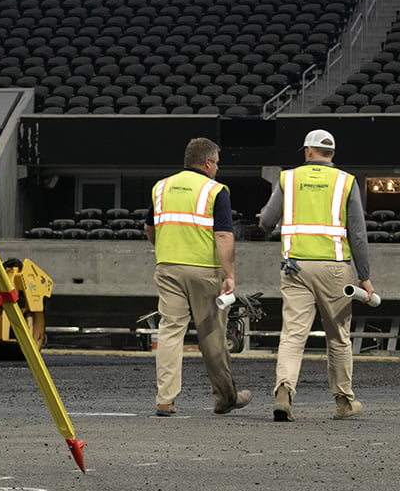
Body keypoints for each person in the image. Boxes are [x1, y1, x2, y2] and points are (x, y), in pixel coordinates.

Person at [258, 129, 375, 421]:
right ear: (331, 154)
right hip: (335, 269)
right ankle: (343, 402)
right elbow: (358, 234)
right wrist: (365, 276)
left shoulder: (289, 178)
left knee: (293, 335)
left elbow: (268, 222)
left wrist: (266, 219)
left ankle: (284, 392)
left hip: (296, 268)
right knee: (338, 337)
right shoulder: (346, 182)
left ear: (309, 152)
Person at [144, 137, 252, 417]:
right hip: (204, 270)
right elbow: (224, 234)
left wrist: (164, 248)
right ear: (207, 162)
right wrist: (229, 275)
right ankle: (225, 398)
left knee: (169, 331)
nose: (217, 168)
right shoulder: (215, 190)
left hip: (167, 267)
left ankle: (165, 400)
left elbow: (149, 227)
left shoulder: (161, 187)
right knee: (212, 334)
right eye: (216, 163)